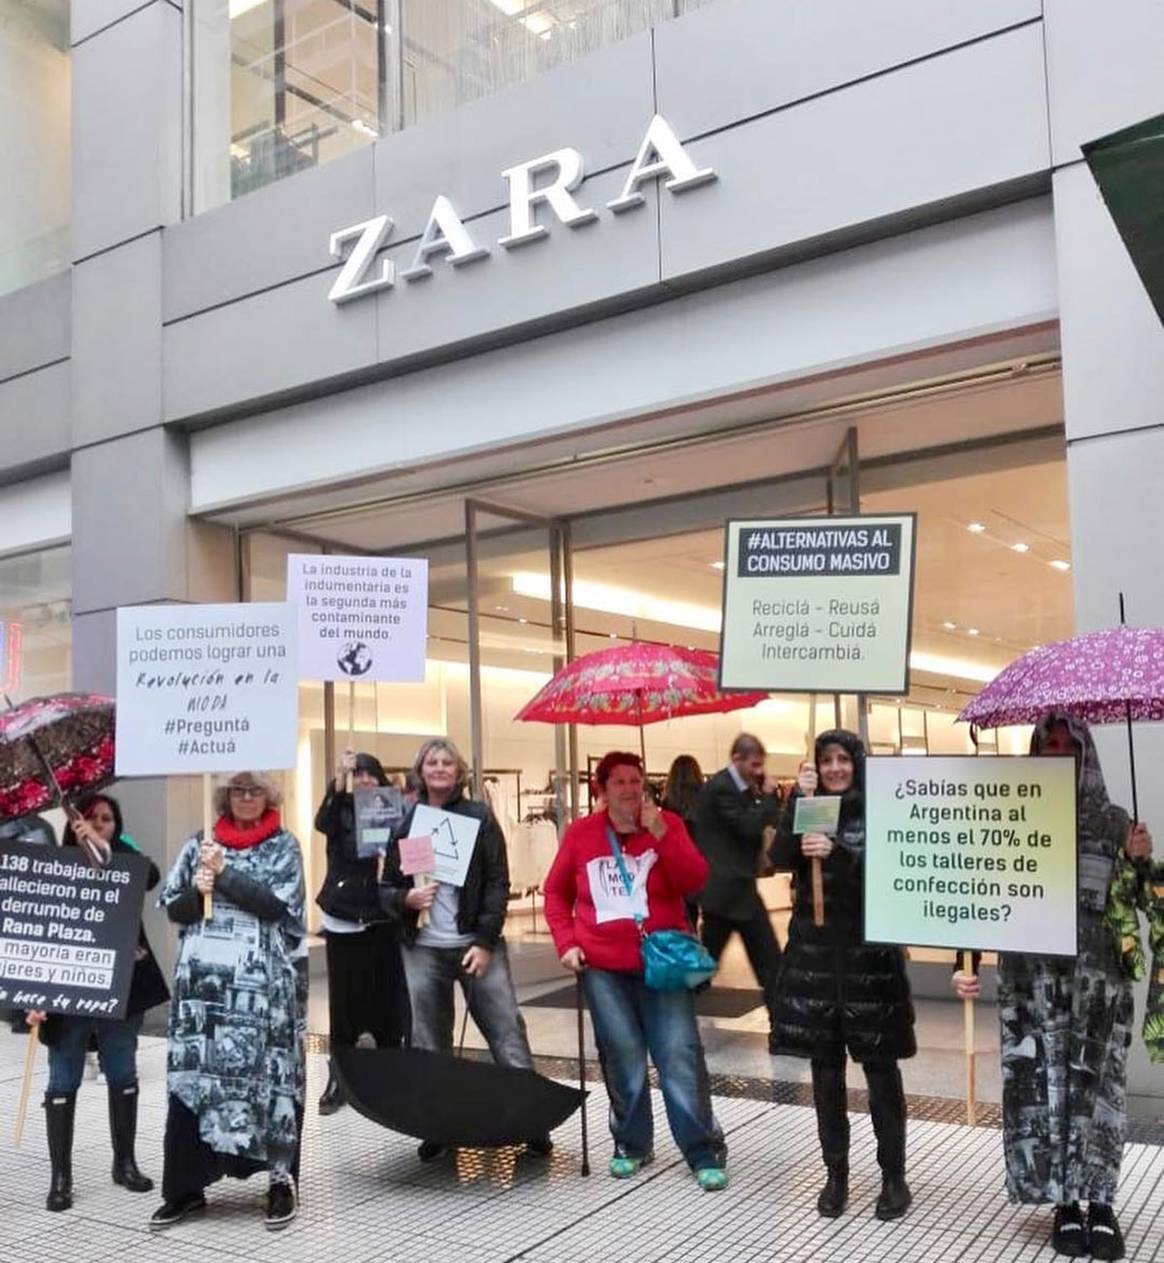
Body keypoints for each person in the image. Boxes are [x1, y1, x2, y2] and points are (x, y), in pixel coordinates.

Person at [952, 713, 1154, 1261]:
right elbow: (975, 893)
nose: (1060, 750)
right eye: (1050, 743)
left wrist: (1139, 861)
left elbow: (1143, 903)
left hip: (1098, 986)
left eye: (1070, 743)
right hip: (1032, 984)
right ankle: (1064, 1202)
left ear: (1085, 753)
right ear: (1036, 751)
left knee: (1097, 1095)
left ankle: (1101, 1201)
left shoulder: (1115, 824)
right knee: (1044, 1087)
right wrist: (962, 960)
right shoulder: (1011, 816)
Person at [544, 750, 728, 1192]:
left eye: (635, 780)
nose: (629, 789)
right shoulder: (581, 835)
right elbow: (555, 894)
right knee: (622, 1054)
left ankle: (703, 1148)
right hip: (602, 966)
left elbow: (694, 880)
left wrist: (663, 833)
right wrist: (567, 944)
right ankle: (631, 1143)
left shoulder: (666, 824)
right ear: (602, 790)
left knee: (678, 1054)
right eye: (619, 782)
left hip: (661, 965)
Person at [150, 772, 306, 1233]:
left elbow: (277, 906)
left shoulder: (284, 846)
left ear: (269, 796)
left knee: (271, 1085)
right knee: (195, 1084)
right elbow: (174, 908)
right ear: (223, 796)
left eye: (254, 790)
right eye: (237, 790)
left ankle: (279, 1184)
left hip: (262, 995)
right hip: (203, 996)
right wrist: (198, 893)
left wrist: (225, 874)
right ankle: (185, 1188)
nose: (245, 798)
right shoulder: (200, 840)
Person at [769, 730, 915, 1220]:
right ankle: (836, 1173)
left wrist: (841, 854)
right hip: (816, 958)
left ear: (857, 764)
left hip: (869, 960)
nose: (834, 768)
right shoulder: (809, 802)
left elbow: (893, 871)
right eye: (826, 759)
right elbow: (778, 860)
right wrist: (795, 802)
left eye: (842, 760)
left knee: (880, 1072)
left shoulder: (878, 809)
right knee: (825, 1071)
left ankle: (893, 1175)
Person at [379, 738, 548, 1161]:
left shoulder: (480, 816)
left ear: (459, 772)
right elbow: (388, 887)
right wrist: (406, 901)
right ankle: (438, 1124)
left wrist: (485, 940)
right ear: (420, 769)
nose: (438, 768)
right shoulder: (409, 821)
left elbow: (497, 881)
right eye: (431, 761)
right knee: (428, 1041)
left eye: (446, 761)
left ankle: (531, 1121)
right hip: (424, 949)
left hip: (475, 945)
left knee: (506, 1031)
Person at [25, 793, 169, 1212]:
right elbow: (32, 933)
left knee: (122, 1071)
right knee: (63, 1079)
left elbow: (151, 876)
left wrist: (106, 846)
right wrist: (31, 999)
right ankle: (61, 1175)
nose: (101, 823)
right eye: (92, 818)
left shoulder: (124, 858)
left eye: (108, 819)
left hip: (121, 989)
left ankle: (124, 1163)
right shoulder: (52, 868)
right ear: (73, 824)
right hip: (67, 994)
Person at [315, 749, 409, 1115]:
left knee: (387, 1000)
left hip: (383, 917)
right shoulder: (338, 811)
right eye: (359, 775)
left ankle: (390, 1074)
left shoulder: (397, 812)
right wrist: (339, 780)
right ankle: (339, 1077)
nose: (365, 780)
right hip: (343, 917)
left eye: (371, 773)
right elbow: (323, 822)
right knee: (344, 1003)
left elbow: (415, 856)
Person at [693, 733, 783, 1046]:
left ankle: (781, 1028)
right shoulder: (721, 789)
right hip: (728, 891)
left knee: (715, 962)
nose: (759, 771)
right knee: (764, 960)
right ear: (737, 760)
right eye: (754, 765)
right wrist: (770, 798)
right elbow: (748, 827)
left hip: (733, 890)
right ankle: (782, 1029)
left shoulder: (737, 788)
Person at [662, 754, 705, 930]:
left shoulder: (668, 803)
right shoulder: (705, 799)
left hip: (675, 861)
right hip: (701, 861)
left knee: (682, 913)